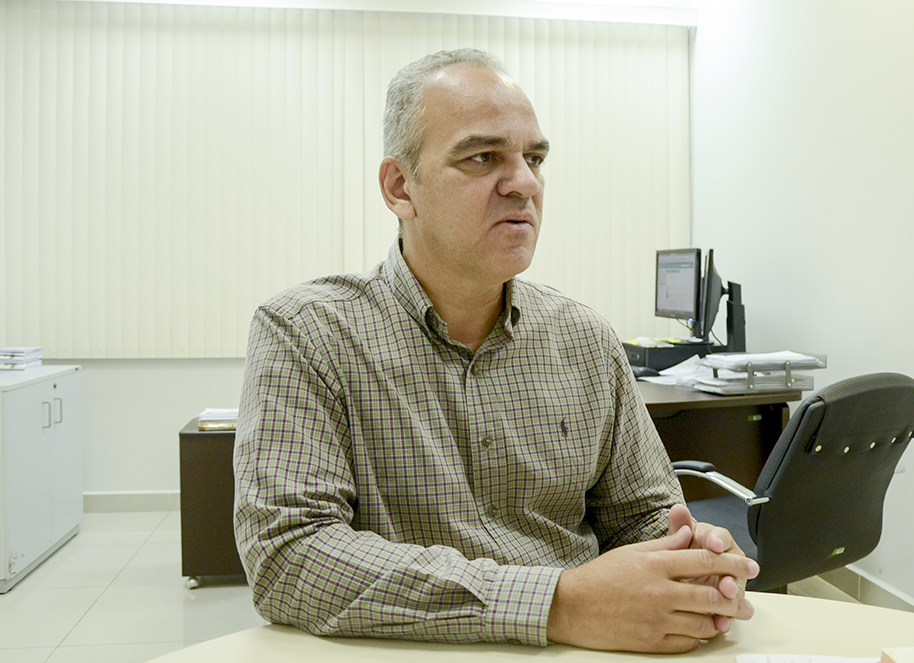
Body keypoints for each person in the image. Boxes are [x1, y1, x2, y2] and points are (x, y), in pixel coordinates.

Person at [233, 48, 758, 654]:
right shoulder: (306, 333)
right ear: (401, 188)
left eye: (534, 159)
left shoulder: (584, 338)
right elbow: (289, 556)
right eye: (483, 157)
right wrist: (557, 604)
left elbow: (643, 518)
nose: (525, 183)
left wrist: (692, 558)